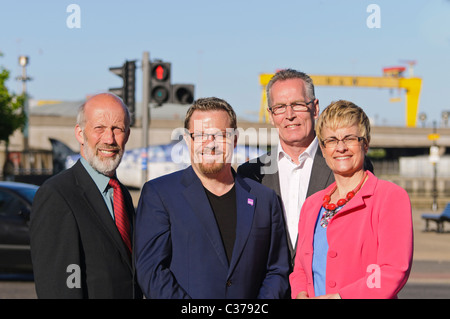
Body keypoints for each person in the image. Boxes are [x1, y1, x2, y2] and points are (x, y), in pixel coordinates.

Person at [135, 97, 290, 299]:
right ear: (187, 140)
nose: (210, 145)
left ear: (234, 140)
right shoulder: (159, 194)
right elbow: (151, 272)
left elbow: (277, 271)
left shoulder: (265, 199)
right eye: (200, 135)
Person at [289, 100, 413, 299]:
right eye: (331, 140)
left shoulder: (389, 197)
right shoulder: (311, 205)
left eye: (349, 138)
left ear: (365, 143)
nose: (341, 147)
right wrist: (301, 293)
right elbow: (300, 270)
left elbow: (393, 270)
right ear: (322, 148)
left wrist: (341, 297)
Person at [30, 93, 142, 299]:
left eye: (117, 129)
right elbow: (58, 289)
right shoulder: (57, 195)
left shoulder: (121, 194)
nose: (109, 139)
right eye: (99, 128)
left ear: (127, 135)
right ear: (80, 134)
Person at [238, 69, 334, 267]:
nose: (289, 115)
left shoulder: (341, 167)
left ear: (315, 108)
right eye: (280, 107)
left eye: (297, 104)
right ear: (272, 116)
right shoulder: (250, 174)